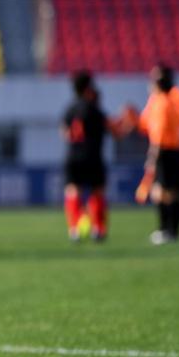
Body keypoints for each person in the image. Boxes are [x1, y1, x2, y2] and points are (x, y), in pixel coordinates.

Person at [132, 63, 179, 244]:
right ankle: (169, 230)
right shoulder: (156, 99)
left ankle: (168, 230)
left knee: (166, 192)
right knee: (164, 191)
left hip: (168, 150)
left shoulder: (170, 99)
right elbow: (145, 124)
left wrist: (155, 156)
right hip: (168, 150)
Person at [61, 70, 127, 242]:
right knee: (97, 191)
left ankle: (74, 228)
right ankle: (98, 229)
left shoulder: (70, 109)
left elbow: (65, 133)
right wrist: (126, 122)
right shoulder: (95, 109)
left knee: (73, 191)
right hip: (92, 157)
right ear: (88, 88)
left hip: (73, 157)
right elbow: (115, 131)